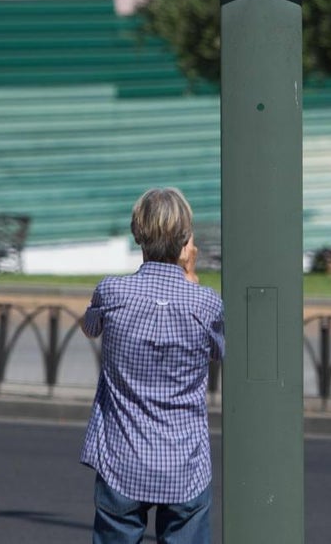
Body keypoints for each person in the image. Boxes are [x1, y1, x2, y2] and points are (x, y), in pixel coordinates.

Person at [80, 187, 225, 544]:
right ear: (185, 240)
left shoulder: (112, 293)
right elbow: (219, 351)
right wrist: (191, 280)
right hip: (184, 462)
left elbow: (90, 327)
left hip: (121, 458)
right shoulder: (205, 303)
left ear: (137, 235)